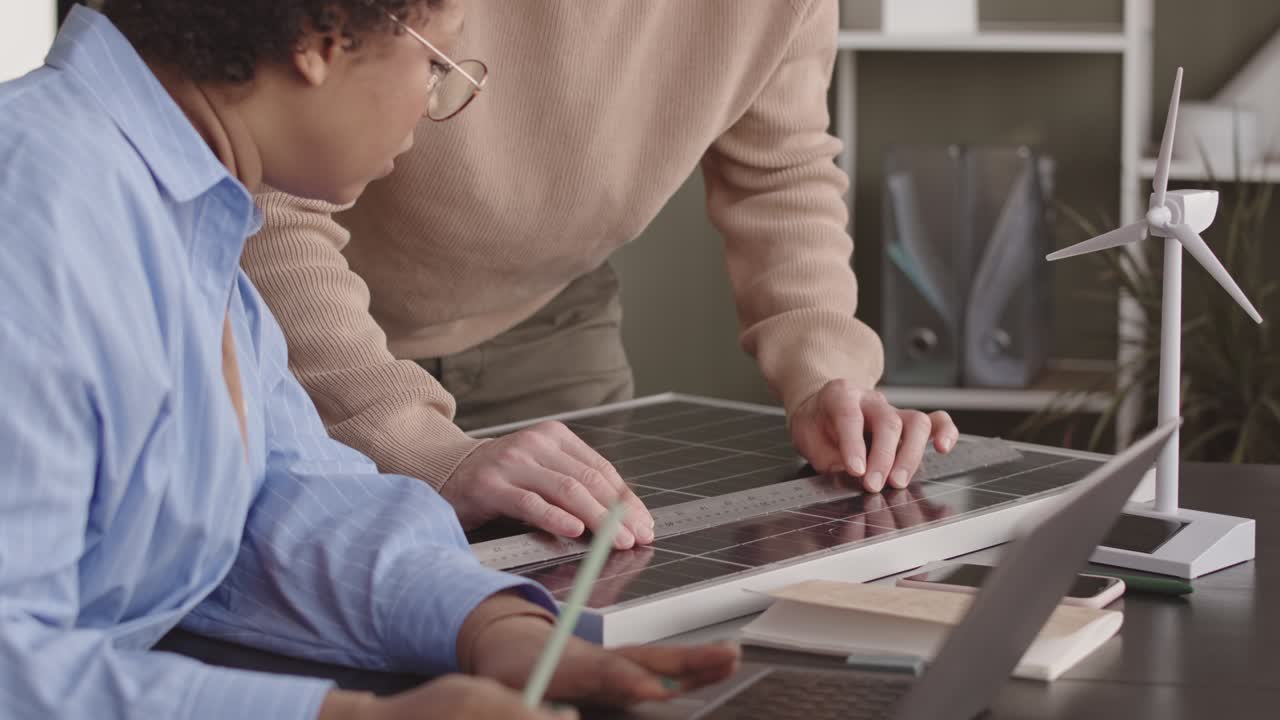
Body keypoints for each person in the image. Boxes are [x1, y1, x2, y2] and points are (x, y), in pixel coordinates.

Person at [0, 3, 737, 719]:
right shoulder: (32, 212)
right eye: (435, 62)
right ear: (320, 39)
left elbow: (285, 493)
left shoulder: (179, 201)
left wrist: (494, 631)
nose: (434, 104)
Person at [246, 0, 961, 550]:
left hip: (551, 323)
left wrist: (828, 377)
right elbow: (271, 199)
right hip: (290, 332)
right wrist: (414, 442)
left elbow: (782, 172)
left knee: (588, 607)